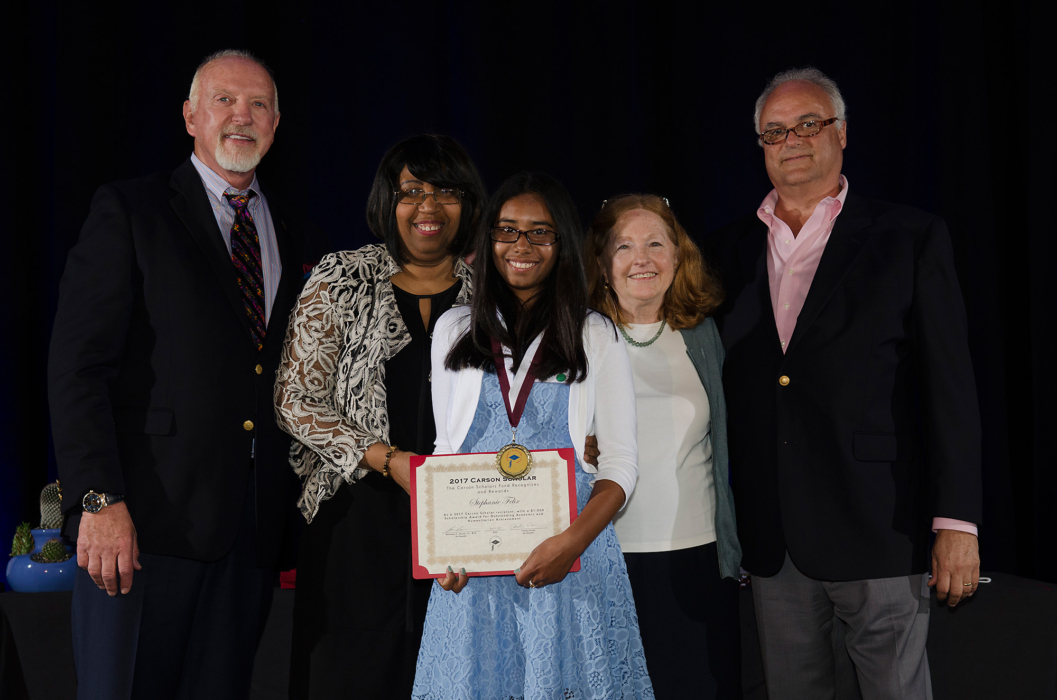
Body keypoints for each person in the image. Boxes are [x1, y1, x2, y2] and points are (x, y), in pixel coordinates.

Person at [47, 49, 327, 699]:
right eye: (225, 100)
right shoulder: (130, 210)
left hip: (249, 539)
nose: (242, 116)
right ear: (190, 116)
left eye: (259, 105)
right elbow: (78, 368)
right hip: (141, 529)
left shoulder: (291, 228)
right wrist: (98, 500)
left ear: (276, 124)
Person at [710, 67, 982, 699]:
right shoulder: (724, 250)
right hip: (773, 540)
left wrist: (957, 524)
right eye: (775, 131)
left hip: (880, 527)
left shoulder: (910, 237)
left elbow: (951, 391)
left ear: (842, 132)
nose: (791, 140)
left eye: (809, 123)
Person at [413, 172, 654, 699]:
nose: (521, 245)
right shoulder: (453, 329)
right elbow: (446, 453)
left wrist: (571, 544)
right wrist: (445, 553)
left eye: (540, 232)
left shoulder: (596, 333)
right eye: (507, 230)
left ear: (562, 242)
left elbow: (620, 466)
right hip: (477, 573)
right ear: (488, 240)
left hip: (570, 561)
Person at [273, 134, 486, 699]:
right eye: (411, 190)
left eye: (446, 191)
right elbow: (295, 399)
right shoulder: (341, 278)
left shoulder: (491, 297)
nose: (428, 206)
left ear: (468, 204)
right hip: (352, 522)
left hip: (459, 525)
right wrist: (388, 460)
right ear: (387, 201)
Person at [586, 193, 742, 698]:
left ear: (678, 256)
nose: (642, 259)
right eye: (624, 246)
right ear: (602, 263)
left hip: (698, 557)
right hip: (604, 557)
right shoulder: (576, 337)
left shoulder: (703, 335)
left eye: (656, 243)